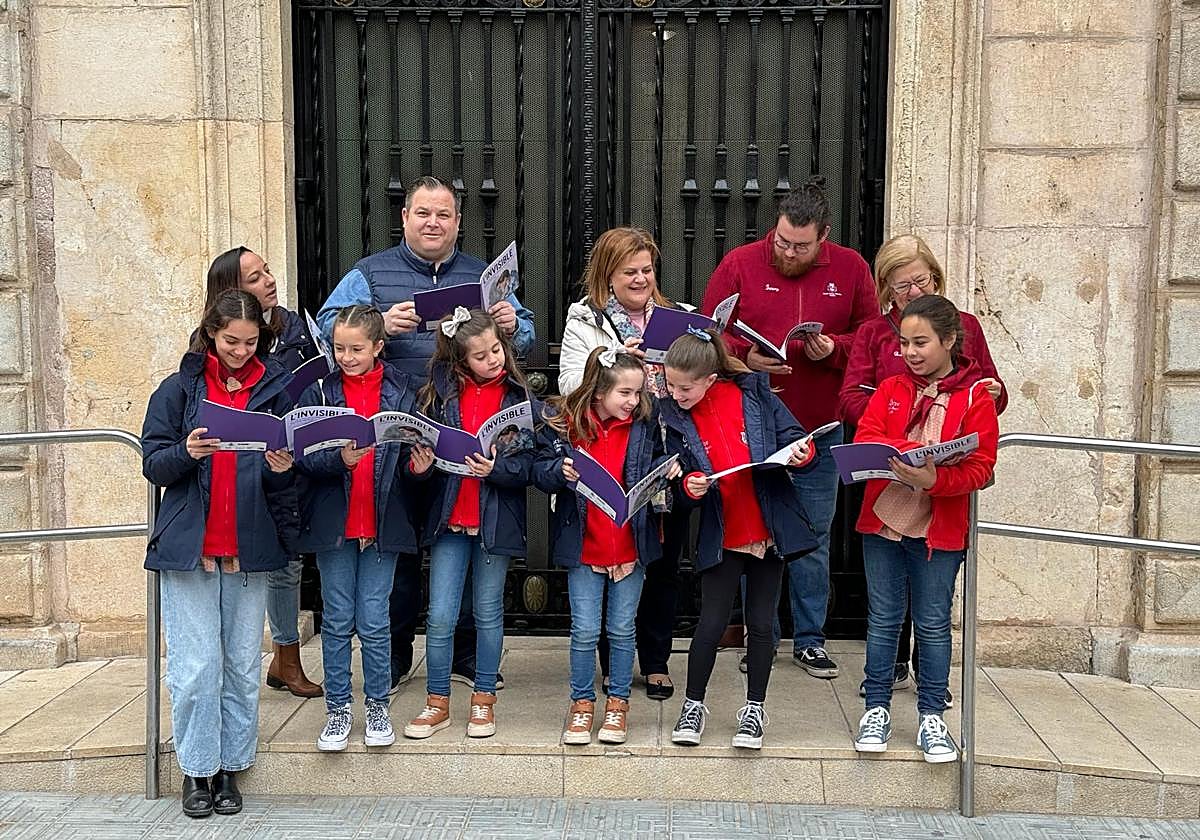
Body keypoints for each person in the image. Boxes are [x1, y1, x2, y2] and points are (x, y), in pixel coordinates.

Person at [317, 176, 537, 691]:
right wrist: (379, 323)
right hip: (393, 437)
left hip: (462, 429)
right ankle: (393, 657)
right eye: (423, 213)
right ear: (405, 218)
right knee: (394, 549)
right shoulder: (368, 273)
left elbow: (524, 336)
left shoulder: (482, 274)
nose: (433, 223)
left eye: (443, 214)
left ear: (458, 221)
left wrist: (510, 321)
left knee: (461, 543)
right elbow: (329, 327)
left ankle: (464, 656)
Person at [701, 179, 877, 680]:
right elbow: (707, 332)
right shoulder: (739, 263)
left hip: (820, 428)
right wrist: (743, 356)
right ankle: (758, 638)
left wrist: (835, 350)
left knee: (813, 536)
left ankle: (810, 640)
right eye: (782, 242)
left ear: (824, 235)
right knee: (751, 533)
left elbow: (869, 337)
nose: (789, 252)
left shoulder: (851, 268)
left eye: (801, 246)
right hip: (752, 426)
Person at [141, 289, 299, 818]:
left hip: (250, 547)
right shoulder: (179, 388)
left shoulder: (276, 387)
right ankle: (196, 769)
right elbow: (153, 463)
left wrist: (283, 467)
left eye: (252, 342)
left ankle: (231, 765)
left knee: (240, 666)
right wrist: (186, 451)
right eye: (232, 341)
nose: (241, 351)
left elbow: (289, 473)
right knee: (195, 666)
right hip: (192, 549)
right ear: (211, 332)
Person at [840, 233, 1007, 705]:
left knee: (933, 614)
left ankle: (932, 698)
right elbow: (857, 404)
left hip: (941, 503)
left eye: (921, 281)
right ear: (886, 289)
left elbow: (987, 411)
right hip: (890, 496)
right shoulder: (878, 344)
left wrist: (989, 396)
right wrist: (899, 433)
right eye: (901, 285)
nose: (912, 291)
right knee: (885, 611)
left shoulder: (965, 335)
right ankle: (881, 691)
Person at [850, 295, 998, 763]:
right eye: (904, 342)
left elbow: (982, 467)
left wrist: (937, 479)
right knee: (883, 620)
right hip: (885, 521)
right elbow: (865, 437)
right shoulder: (892, 387)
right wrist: (903, 450)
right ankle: (876, 709)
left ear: (949, 341)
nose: (910, 352)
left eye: (921, 343)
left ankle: (932, 716)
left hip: (939, 527)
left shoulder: (976, 396)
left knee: (932, 623)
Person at [661, 329, 818, 750]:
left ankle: (754, 708)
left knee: (762, 624)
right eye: (670, 384)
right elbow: (671, 473)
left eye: (685, 387)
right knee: (710, 623)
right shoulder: (672, 417)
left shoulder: (755, 395)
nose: (676, 393)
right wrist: (688, 487)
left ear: (711, 378)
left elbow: (793, 437)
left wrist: (802, 454)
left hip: (768, 528)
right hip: (722, 530)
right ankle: (693, 705)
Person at [558, 226, 686, 700]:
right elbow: (570, 383)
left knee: (661, 560)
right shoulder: (584, 320)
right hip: (610, 453)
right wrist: (608, 362)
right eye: (629, 272)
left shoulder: (675, 317)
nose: (640, 279)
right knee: (608, 560)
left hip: (662, 451)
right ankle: (612, 666)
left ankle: (654, 659)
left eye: (647, 270)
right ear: (608, 275)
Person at [534, 347, 680, 745]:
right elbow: (538, 469)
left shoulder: (643, 426)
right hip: (584, 546)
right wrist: (556, 471)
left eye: (637, 394)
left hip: (630, 546)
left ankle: (617, 705)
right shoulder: (566, 427)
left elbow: (656, 464)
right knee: (583, 630)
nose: (633, 401)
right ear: (599, 392)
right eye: (625, 394)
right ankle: (582, 704)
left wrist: (668, 470)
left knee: (621, 628)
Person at [294, 305, 422, 752]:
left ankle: (377, 705)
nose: (346, 357)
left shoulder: (404, 390)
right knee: (337, 620)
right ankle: (337, 709)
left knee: (374, 620)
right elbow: (301, 456)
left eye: (356, 349)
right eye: (338, 348)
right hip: (336, 524)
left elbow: (415, 460)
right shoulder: (319, 391)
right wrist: (338, 459)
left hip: (382, 522)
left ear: (378, 347)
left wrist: (420, 468)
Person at [403, 308, 534, 740]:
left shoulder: (518, 399)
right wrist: (420, 468)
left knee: (487, 612)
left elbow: (529, 468)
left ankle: (482, 700)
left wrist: (495, 469)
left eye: (497, 349)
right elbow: (422, 465)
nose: (493, 359)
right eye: (481, 356)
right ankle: (437, 701)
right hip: (450, 521)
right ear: (461, 362)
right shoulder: (438, 399)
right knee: (440, 616)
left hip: (494, 520)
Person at [204, 246, 324, 700]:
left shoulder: (291, 325)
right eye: (256, 278)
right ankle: (276, 658)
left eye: (268, 271)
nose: (270, 280)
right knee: (270, 565)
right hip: (244, 464)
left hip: (290, 454)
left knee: (290, 561)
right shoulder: (212, 348)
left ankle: (283, 657)